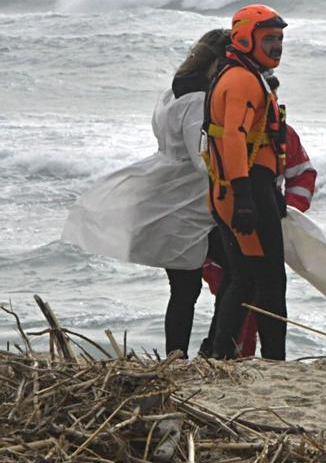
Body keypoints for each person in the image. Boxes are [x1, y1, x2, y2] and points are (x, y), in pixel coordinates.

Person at [62, 28, 229, 357]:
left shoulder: (172, 92)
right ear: (218, 62)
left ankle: (182, 355)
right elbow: (201, 161)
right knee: (225, 276)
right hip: (187, 202)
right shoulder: (198, 98)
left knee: (186, 287)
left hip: (168, 193)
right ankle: (205, 350)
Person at [200, 74, 319, 358]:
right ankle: (226, 353)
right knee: (240, 284)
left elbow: (303, 174)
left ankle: (246, 356)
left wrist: (287, 211)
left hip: (262, 215)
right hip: (230, 217)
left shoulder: (282, 135)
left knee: (253, 285)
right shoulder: (230, 132)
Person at [203, 4, 290, 360]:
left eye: (280, 39)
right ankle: (274, 361)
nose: (277, 46)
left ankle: (220, 352)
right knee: (269, 282)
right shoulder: (241, 80)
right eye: (269, 38)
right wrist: (246, 197)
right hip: (244, 189)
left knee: (246, 278)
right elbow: (235, 138)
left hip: (243, 189)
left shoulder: (244, 75)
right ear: (243, 38)